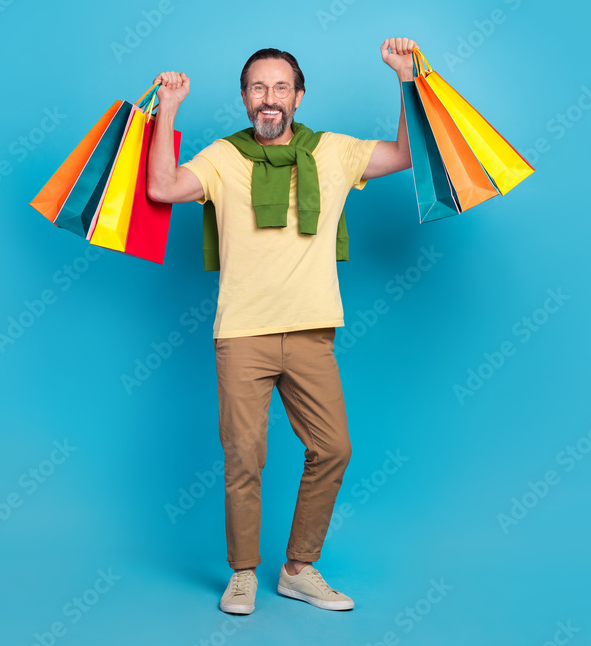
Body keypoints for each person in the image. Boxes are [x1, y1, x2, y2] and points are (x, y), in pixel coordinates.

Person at [147, 37, 417, 615]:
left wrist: (407, 78)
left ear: (298, 95)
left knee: (333, 448)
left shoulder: (334, 153)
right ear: (245, 97)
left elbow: (405, 153)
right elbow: (162, 189)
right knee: (244, 455)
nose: (268, 99)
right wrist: (168, 108)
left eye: (279, 88)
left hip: (313, 330)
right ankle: (243, 574)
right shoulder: (223, 157)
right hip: (242, 332)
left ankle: (298, 567)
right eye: (257, 88)